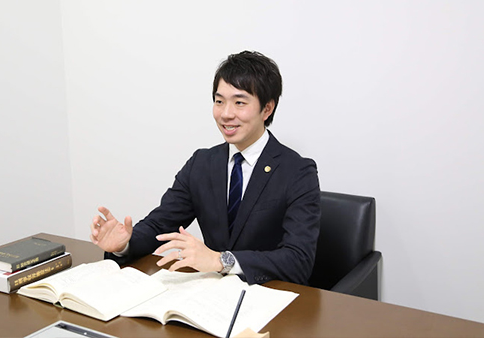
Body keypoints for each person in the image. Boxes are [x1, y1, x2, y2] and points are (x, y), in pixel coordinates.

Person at [90, 51, 321, 285]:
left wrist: (222, 260)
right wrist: (124, 245)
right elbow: (159, 224)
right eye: (219, 101)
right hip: (211, 293)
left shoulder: (298, 172)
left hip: (269, 295)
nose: (226, 114)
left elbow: (298, 261)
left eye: (239, 102)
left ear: (267, 108)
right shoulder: (202, 163)